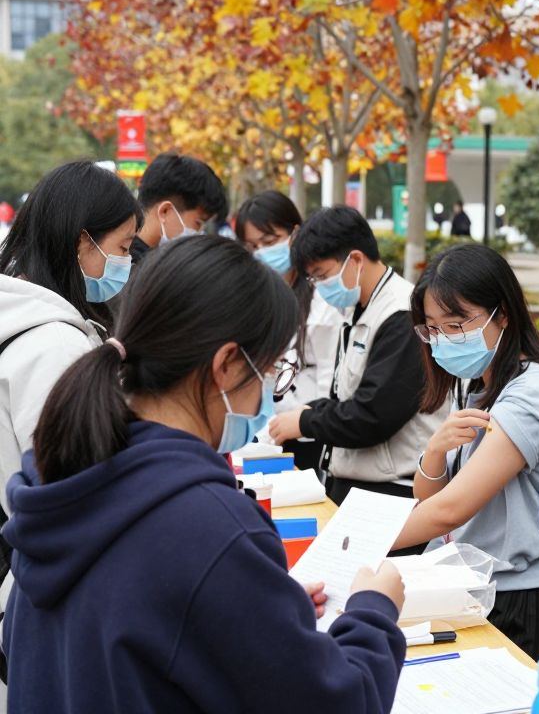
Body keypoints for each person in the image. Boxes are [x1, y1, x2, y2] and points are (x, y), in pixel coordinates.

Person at [2, 236, 407, 712]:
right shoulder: (207, 526)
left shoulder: (63, 474)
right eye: (272, 369)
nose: (269, 395)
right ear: (227, 364)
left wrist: (252, 600)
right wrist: (373, 612)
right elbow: (338, 701)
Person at [391, 244, 539, 660]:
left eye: (457, 324)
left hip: (528, 598)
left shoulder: (533, 394)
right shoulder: (481, 386)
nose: (444, 340)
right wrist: (435, 451)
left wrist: (358, 541)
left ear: (503, 314)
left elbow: (450, 510)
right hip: (478, 589)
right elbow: (431, 500)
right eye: (434, 328)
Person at [268, 207, 445, 507]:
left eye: (322, 275)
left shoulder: (401, 315)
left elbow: (374, 415)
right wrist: (308, 411)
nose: (320, 287)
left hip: (394, 491)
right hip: (359, 482)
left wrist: (306, 420)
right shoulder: (358, 311)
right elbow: (345, 396)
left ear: (356, 259)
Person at [0, 161, 141, 515]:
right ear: (82, 241)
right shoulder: (56, 346)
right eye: (124, 248)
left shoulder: (19, 311)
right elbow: (71, 485)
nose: (126, 262)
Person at [235, 191, 343, 470]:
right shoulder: (254, 296)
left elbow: (329, 379)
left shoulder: (322, 299)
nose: (261, 253)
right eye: (252, 246)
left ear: (295, 233)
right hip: (264, 434)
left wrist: (310, 422)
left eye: (269, 242)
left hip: (308, 432)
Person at [130, 153, 228, 263]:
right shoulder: (133, 268)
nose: (200, 233)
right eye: (198, 223)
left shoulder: (161, 261)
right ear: (165, 211)